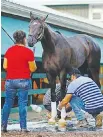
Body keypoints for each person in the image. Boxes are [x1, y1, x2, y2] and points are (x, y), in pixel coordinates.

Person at [1, 30, 37, 132]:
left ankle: (3, 126)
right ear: (24, 39)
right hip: (23, 81)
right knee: (22, 103)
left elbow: (5, 66)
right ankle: (23, 128)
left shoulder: (9, 51)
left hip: (10, 81)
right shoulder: (28, 52)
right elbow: (33, 68)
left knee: (7, 104)